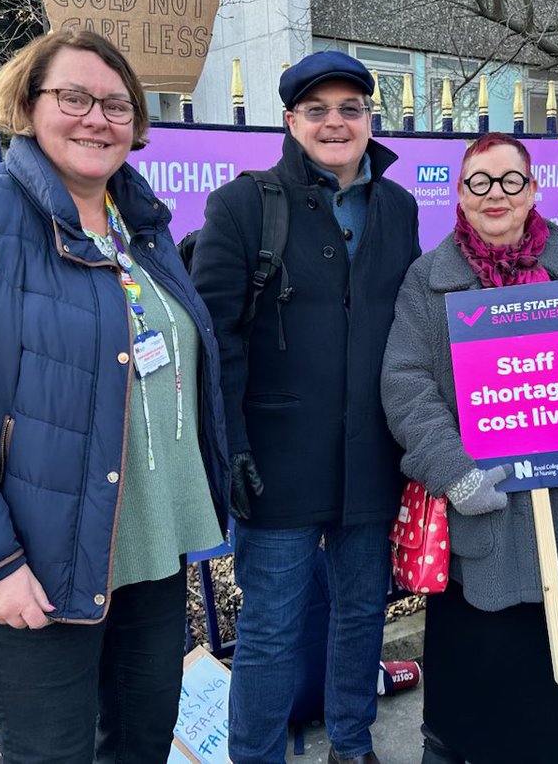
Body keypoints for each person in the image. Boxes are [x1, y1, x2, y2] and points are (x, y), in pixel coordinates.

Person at [0, 29, 229, 764]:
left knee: (141, 742)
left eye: (116, 103)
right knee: (52, 754)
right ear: (27, 105)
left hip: (151, 550)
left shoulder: (141, 226)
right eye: (73, 97)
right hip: (40, 559)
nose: (96, 118)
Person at [381, 133, 558, 764]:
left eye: (510, 180)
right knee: (470, 688)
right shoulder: (429, 280)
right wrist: (454, 471)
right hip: (482, 523)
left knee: (554, 694)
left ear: (533, 190)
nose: (495, 194)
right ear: (459, 195)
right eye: (480, 181)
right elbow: (405, 385)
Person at [190, 50, 420, 764]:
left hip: (370, 460)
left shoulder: (399, 205)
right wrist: (228, 449)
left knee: (359, 619)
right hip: (276, 462)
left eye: (349, 109)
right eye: (317, 110)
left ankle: (352, 746)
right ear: (291, 122)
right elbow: (215, 337)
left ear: (367, 119)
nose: (335, 123)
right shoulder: (243, 204)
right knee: (270, 631)